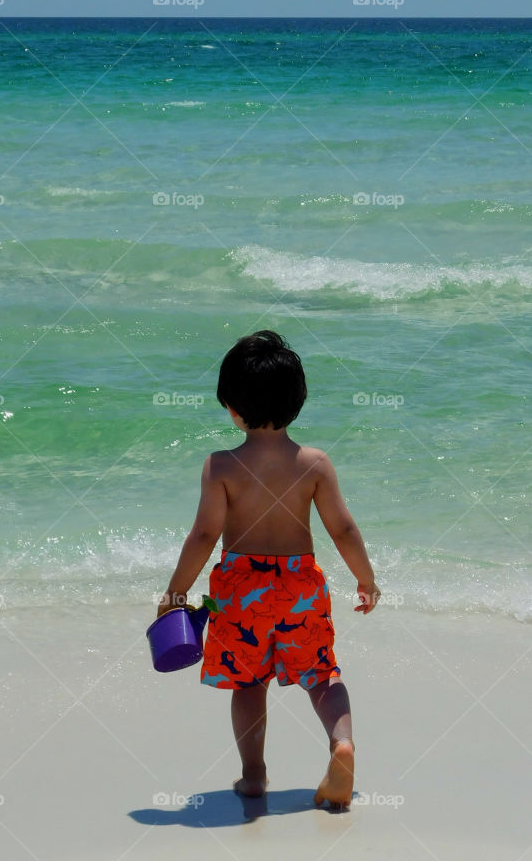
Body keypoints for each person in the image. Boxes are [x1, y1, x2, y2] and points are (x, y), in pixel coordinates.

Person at [158, 329, 380, 809]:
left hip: (240, 588)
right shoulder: (314, 464)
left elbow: (203, 536)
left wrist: (176, 594)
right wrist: (366, 578)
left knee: (247, 682)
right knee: (322, 675)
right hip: (299, 584)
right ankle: (341, 743)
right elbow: (343, 530)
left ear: (233, 408)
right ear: (298, 401)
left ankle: (254, 775)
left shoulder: (221, 466)